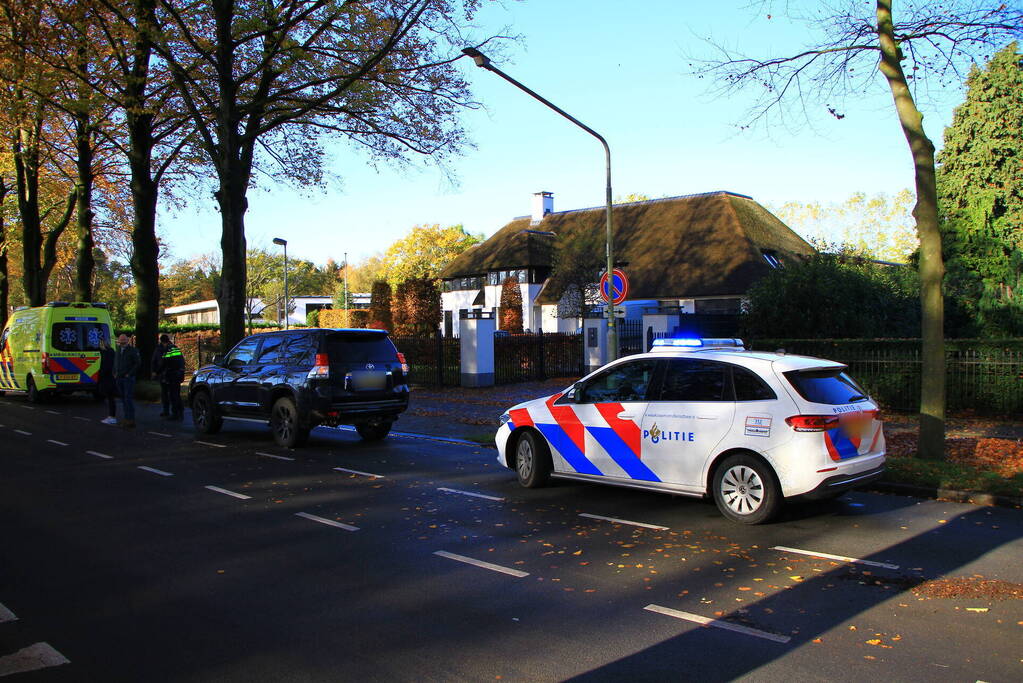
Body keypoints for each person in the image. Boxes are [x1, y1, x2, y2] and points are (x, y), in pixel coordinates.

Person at [114, 333, 140, 428]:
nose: (122, 344)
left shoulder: (132, 351)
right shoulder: (118, 350)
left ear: (127, 341)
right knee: (123, 399)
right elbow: (115, 362)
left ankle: (130, 419)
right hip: (119, 377)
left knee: (128, 399)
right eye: (121, 342)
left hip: (128, 378)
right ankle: (126, 419)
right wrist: (115, 373)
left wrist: (129, 374)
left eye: (123, 342)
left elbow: (137, 363)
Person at [160, 337, 186, 420]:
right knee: (177, 394)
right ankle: (180, 410)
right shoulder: (176, 349)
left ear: (163, 342)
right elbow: (181, 361)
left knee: (172, 395)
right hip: (178, 374)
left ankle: (175, 414)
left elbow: (165, 363)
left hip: (171, 375)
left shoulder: (168, 350)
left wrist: (158, 372)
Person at [97, 337, 118, 425]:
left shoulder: (108, 352)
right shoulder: (108, 351)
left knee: (111, 398)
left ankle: (112, 417)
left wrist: (101, 375)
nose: (100, 345)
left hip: (108, 378)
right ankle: (111, 416)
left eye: (101, 343)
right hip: (109, 377)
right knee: (110, 398)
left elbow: (107, 366)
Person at [153, 334, 171, 416]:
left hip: (167, 374)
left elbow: (156, 361)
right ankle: (168, 411)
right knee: (166, 394)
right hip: (166, 374)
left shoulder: (160, 349)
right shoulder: (171, 348)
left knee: (169, 393)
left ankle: (171, 411)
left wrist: (155, 371)